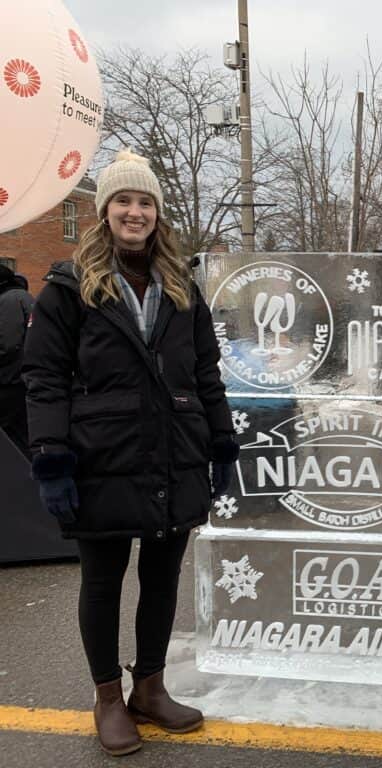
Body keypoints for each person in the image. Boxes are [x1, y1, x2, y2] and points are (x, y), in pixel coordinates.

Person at [21, 150, 238, 756]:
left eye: (145, 202)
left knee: (163, 578)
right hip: (100, 454)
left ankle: (150, 686)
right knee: (102, 580)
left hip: (174, 452)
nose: (134, 212)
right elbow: (44, 378)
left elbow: (205, 374)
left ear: (157, 213)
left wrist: (221, 443)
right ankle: (108, 698)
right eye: (123, 201)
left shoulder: (181, 288)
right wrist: (52, 457)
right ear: (105, 211)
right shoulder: (70, 287)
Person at [0, 264, 33, 458]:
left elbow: (7, 344)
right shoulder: (23, 297)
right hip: (24, 378)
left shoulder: (7, 300)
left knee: (14, 434)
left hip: (10, 380)